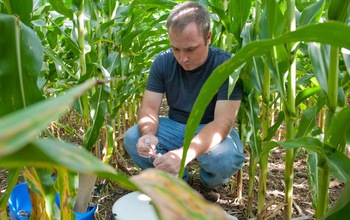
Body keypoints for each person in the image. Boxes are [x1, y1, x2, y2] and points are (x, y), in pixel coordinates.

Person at [123, 1, 245, 202]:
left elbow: (222, 124)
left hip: (210, 129)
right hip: (175, 126)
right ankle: (179, 180)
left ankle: (207, 184)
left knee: (224, 159)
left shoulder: (226, 66)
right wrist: (149, 135)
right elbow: (149, 109)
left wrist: (184, 154)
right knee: (132, 137)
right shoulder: (162, 62)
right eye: (175, 49)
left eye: (190, 49)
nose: (182, 58)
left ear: (208, 38)